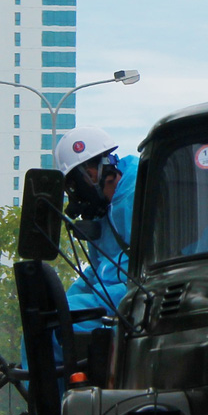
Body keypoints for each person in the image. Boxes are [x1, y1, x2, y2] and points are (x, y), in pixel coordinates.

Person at [55, 127, 137, 329]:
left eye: (75, 188)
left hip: (135, 296)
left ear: (91, 175)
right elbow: (101, 266)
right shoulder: (104, 210)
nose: (77, 198)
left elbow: (140, 273)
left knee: (55, 327)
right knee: (50, 314)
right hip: (113, 295)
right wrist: (65, 299)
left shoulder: (136, 193)